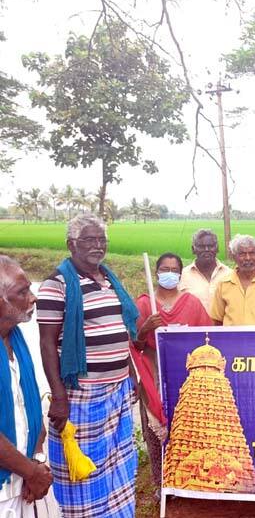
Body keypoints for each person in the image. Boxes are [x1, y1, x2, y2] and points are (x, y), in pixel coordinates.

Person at [36, 214, 139, 518]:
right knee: (85, 468)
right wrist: (58, 395)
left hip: (117, 390)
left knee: (118, 463)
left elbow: (121, 329)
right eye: (89, 240)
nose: (97, 245)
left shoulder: (108, 279)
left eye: (101, 239)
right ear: (71, 244)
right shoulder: (57, 285)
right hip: (82, 395)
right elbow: (47, 343)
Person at [132, 252, 211, 489]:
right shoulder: (144, 304)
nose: (169, 273)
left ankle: (188, 480)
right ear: (156, 272)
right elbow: (134, 345)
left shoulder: (192, 303)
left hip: (184, 370)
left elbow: (208, 337)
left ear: (180, 273)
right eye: (164, 269)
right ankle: (161, 483)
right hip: (153, 371)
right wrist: (145, 329)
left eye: (174, 269)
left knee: (187, 427)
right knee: (155, 431)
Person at [0, 256, 52, 517]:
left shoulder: (16, 338)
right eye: (22, 292)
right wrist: (32, 472)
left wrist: (36, 464)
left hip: (21, 483)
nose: (33, 298)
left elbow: (30, 408)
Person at [211, 235, 255, 325]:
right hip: (230, 338)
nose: (248, 258)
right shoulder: (223, 284)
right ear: (234, 257)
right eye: (242, 254)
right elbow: (216, 320)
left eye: (252, 253)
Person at [179, 229, 231, 314]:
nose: (206, 249)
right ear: (193, 249)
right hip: (193, 327)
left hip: (223, 326)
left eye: (211, 246)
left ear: (217, 248)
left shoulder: (229, 274)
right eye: (201, 246)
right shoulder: (182, 275)